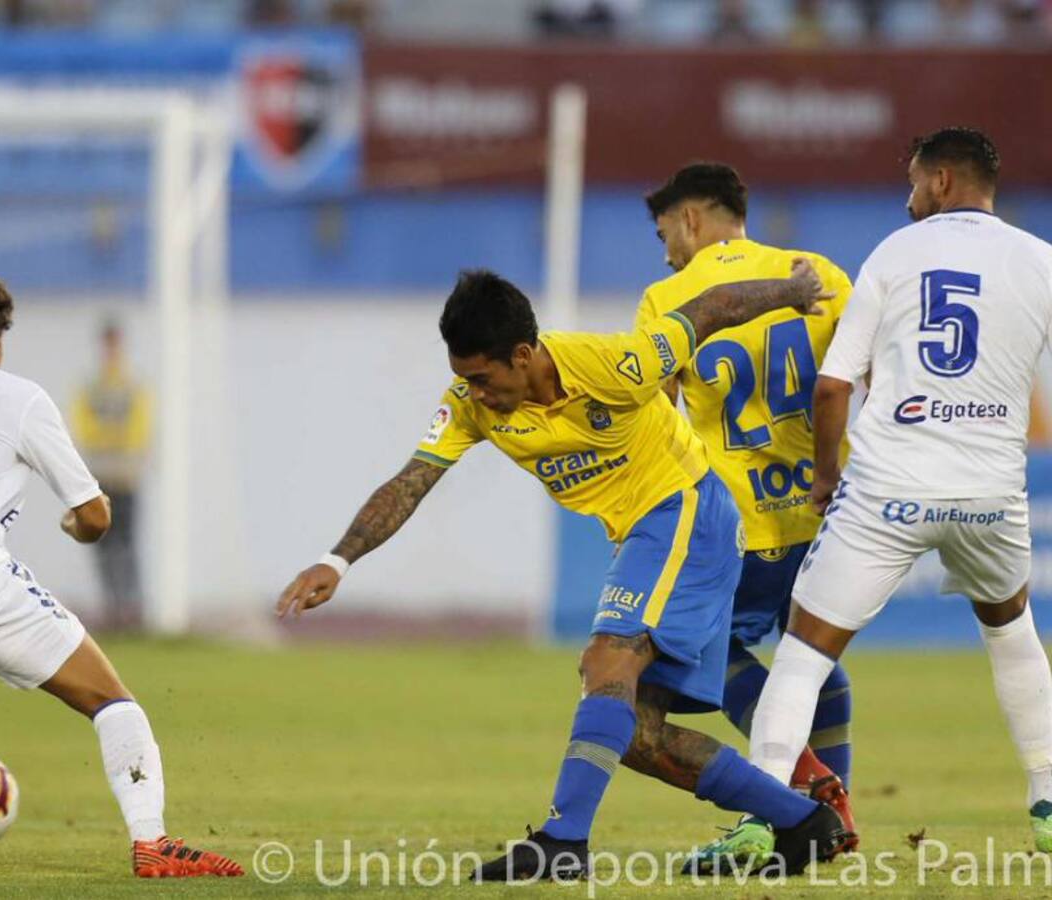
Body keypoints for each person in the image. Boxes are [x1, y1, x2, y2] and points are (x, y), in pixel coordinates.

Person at [279, 262, 850, 881]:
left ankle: (562, 842)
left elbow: (709, 307)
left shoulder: (614, 364)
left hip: (686, 509)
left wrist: (794, 293)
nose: (473, 393)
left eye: (480, 377)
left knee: (607, 661)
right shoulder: (470, 407)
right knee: (637, 737)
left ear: (523, 355)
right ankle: (802, 823)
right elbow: (412, 480)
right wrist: (338, 559)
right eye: (462, 379)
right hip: (645, 531)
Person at [0, 265, 241, 877]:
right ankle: (151, 841)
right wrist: (75, 527)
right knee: (112, 702)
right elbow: (93, 514)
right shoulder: (17, 397)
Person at [744, 127, 1052, 852]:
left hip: (889, 490)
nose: (909, 200)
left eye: (915, 183)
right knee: (1012, 632)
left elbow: (831, 387)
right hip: (991, 494)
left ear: (943, 181)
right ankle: (1047, 799)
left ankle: (761, 816)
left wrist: (825, 479)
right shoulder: (1040, 261)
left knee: (803, 651)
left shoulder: (894, 252)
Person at [628, 162, 857, 869]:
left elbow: (655, 416)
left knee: (686, 665)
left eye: (666, 231)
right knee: (811, 659)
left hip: (737, 525)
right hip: (824, 516)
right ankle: (825, 815)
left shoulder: (667, 295)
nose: (666, 248)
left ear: (692, 219)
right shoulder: (820, 273)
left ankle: (790, 798)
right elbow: (849, 383)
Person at [70, 322, 151, 631]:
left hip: (126, 477)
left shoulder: (133, 387)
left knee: (128, 546)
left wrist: (112, 437)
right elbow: (83, 426)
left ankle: (131, 610)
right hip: (99, 479)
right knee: (104, 547)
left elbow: (140, 429)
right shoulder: (91, 387)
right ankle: (111, 609)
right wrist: (109, 436)